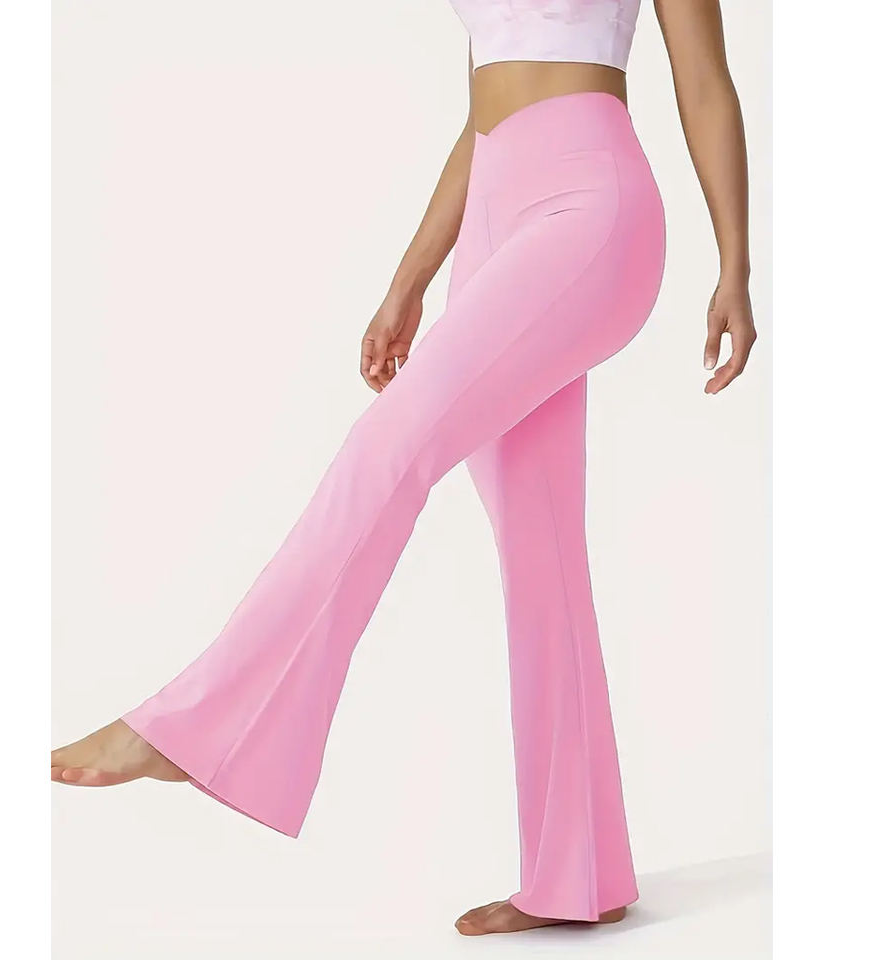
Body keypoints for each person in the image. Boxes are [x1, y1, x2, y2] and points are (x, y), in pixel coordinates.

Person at [52, 0, 757, 937]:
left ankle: (200, 721)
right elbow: (485, 112)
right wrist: (410, 280)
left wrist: (735, 266)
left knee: (387, 450)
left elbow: (703, 83)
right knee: (538, 547)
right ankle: (579, 874)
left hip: (593, 208)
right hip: (496, 216)